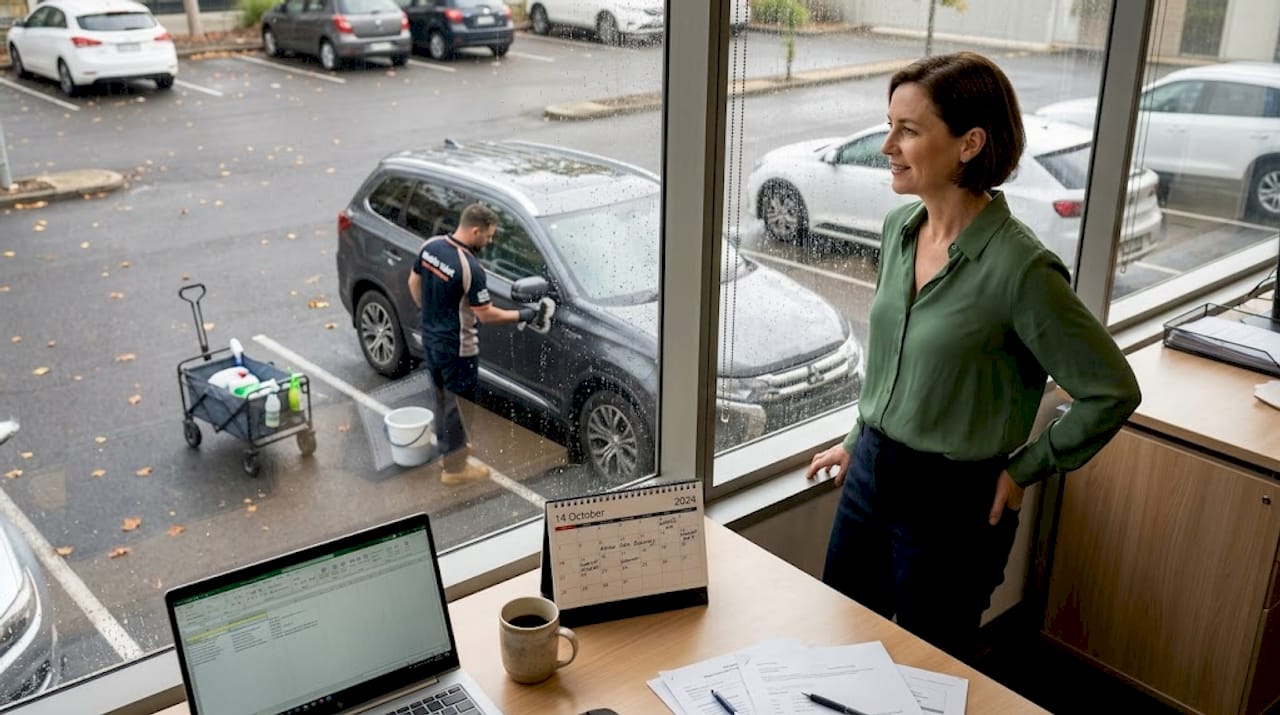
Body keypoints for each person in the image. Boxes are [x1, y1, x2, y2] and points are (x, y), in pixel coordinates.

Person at [805, 51, 1141, 659]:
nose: (887, 146)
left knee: (927, 672)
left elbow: (1112, 390)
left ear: (970, 144)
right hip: (871, 475)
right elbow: (895, 361)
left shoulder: (1022, 268)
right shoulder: (900, 229)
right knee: (840, 649)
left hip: (954, 503)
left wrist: (1025, 470)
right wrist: (859, 436)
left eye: (908, 131)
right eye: (889, 126)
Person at [408, 203, 542, 485]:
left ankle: (450, 449)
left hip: (430, 338)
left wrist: (427, 313)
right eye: (488, 236)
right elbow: (486, 314)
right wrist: (523, 315)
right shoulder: (469, 267)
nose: (489, 241)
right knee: (459, 406)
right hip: (458, 348)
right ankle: (455, 469)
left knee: (441, 398)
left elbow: (413, 282)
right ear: (475, 231)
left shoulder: (431, 246)